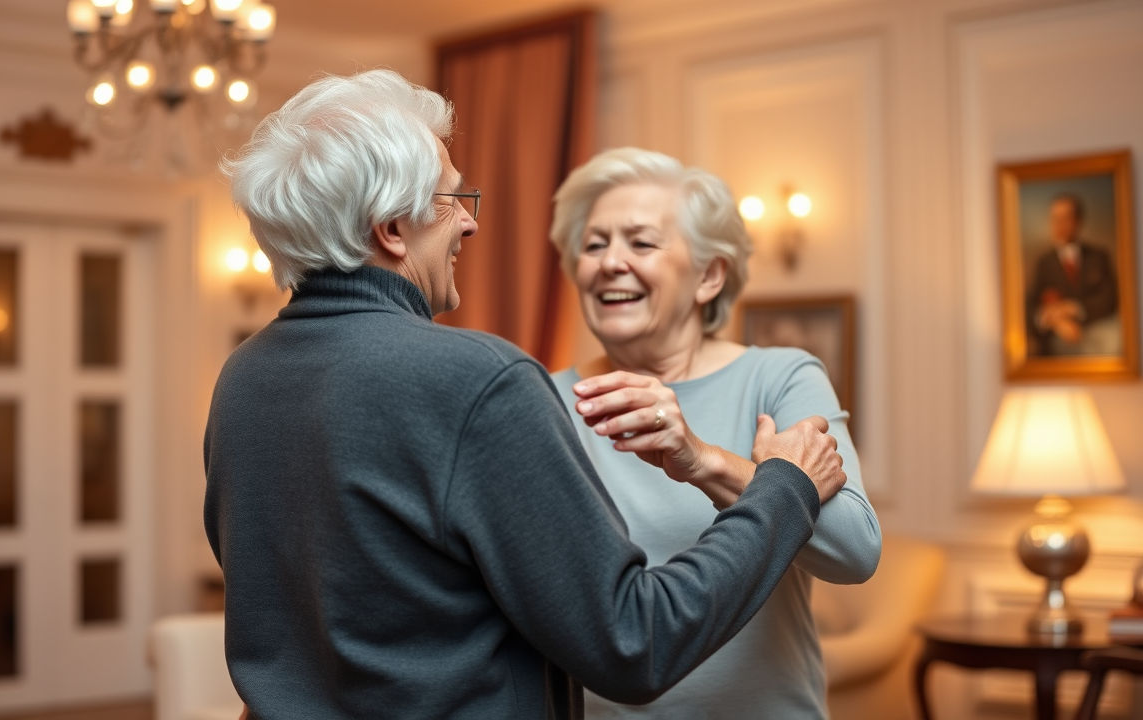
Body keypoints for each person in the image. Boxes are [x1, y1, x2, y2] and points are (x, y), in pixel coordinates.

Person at [205, 69, 848, 720]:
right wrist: (783, 487)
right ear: (393, 227)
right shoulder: (478, 380)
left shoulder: (243, 379)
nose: (468, 224)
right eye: (452, 199)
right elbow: (634, 643)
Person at [548, 147, 882, 719]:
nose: (609, 262)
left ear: (709, 276)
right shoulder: (546, 400)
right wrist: (778, 477)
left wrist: (703, 461)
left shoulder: (779, 377)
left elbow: (855, 551)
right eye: (594, 244)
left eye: (641, 242)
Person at [1025, 193, 1120, 356]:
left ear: (1078, 221)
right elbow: (1030, 307)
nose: (1060, 225)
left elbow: (1110, 298)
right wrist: (1056, 322)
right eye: (1055, 219)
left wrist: (1073, 308)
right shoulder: (1043, 263)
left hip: (1097, 335)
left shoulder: (1098, 256)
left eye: (1066, 218)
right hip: (1055, 343)